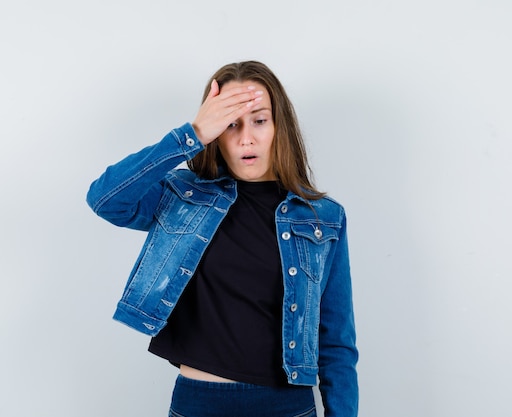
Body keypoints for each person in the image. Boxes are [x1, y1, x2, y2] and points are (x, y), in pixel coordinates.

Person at [86, 60, 358, 417]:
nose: (246, 138)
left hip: (286, 407)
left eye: (259, 120)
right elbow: (106, 200)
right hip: (198, 404)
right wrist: (192, 134)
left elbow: (336, 340)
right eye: (230, 124)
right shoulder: (183, 197)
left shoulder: (322, 217)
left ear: (280, 127)